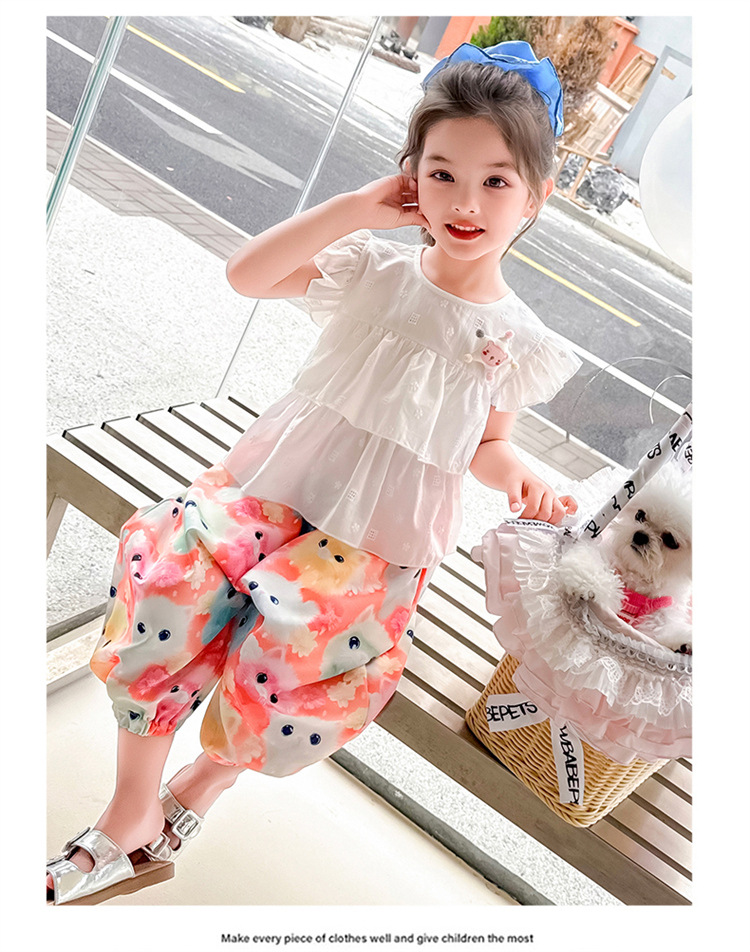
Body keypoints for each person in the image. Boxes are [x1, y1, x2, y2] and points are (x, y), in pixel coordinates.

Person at [47, 41, 582, 905]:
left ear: (537, 196)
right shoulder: (372, 267)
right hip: (270, 489)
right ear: (410, 176)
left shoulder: (518, 340)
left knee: (297, 668)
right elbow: (246, 274)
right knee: (168, 589)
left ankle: (200, 787)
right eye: (442, 174)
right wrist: (353, 209)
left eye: (496, 181)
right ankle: (130, 812)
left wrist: (517, 471)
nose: (465, 202)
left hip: (378, 539)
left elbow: (486, 442)